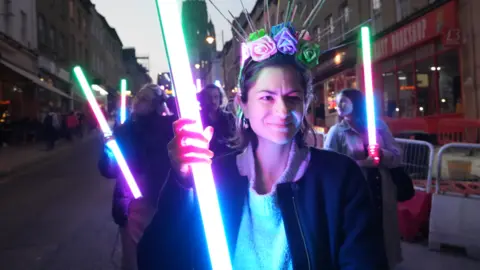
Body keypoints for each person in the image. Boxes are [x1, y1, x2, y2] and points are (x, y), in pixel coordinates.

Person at [137, 53, 387, 269]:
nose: (282, 110)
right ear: (242, 105)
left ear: (306, 103)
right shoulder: (212, 178)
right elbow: (156, 259)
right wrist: (181, 183)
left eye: (292, 98)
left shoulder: (340, 178)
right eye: (267, 97)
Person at [98, 84, 175, 270]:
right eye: (138, 97)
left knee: (163, 256)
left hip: (160, 203)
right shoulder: (123, 131)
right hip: (130, 206)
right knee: (132, 261)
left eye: (145, 99)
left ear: (156, 104)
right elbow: (109, 170)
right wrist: (109, 152)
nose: (138, 102)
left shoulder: (168, 129)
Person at [324, 88, 403, 269]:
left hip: (381, 190)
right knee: (358, 234)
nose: (340, 106)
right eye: (339, 102)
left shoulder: (378, 127)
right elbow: (330, 165)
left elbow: (398, 155)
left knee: (384, 234)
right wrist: (361, 163)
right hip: (353, 193)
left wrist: (382, 155)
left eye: (345, 101)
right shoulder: (336, 132)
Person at [197, 84, 235, 156]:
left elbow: (236, 140)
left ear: (220, 99)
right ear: (202, 99)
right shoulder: (198, 119)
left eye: (216, 97)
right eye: (208, 97)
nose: (213, 101)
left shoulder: (229, 117)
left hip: (228, 157)